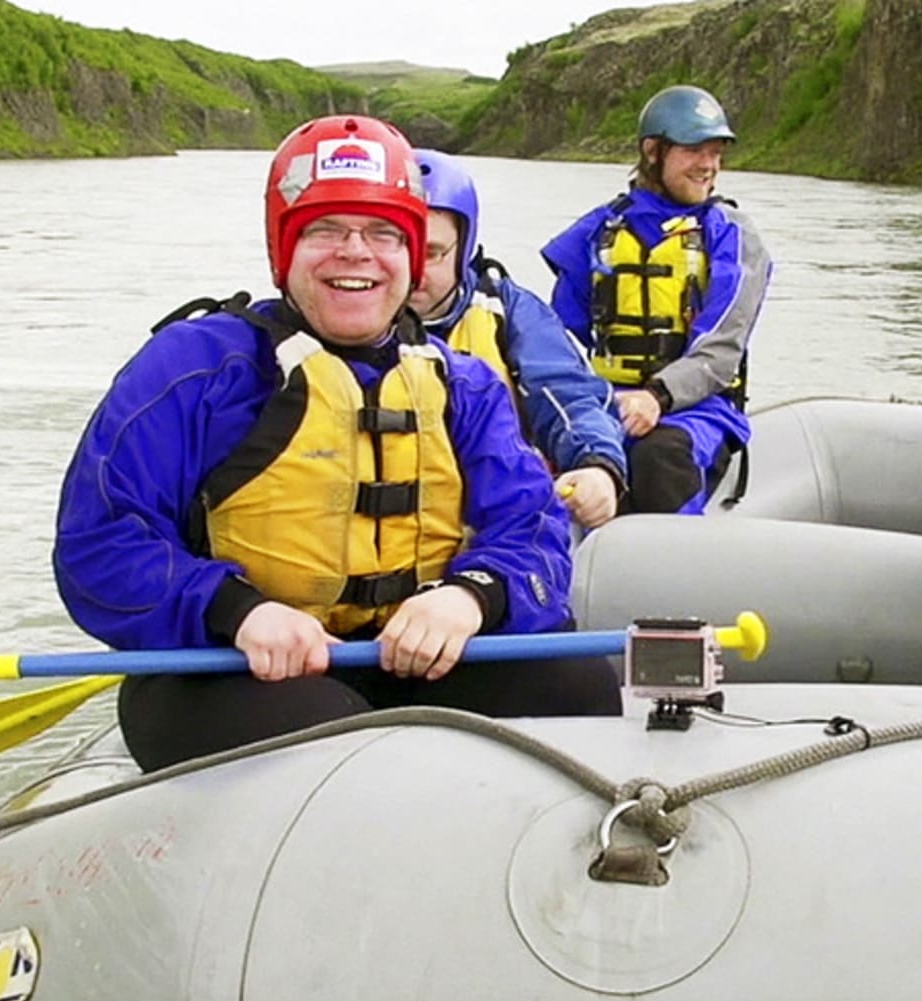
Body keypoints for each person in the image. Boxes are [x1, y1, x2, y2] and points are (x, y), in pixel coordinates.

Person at [53, 115, 620, 772]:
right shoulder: (195, 369)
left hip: (415, 658)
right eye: (324, 229)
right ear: (284, 250)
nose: (356, 252)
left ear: (412, 259)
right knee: (334, 744)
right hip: (231, 663)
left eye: (384, 233)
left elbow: (534, 530)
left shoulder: (464, 386)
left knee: (577, 683)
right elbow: (100, 542)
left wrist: (472, 594)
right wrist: (235, 610)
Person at [541, 84, 772, 514]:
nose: (709, 165)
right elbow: (558, 336)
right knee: (543, 454)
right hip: (608, 401)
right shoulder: (598, 230)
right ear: (653, 151)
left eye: (716, 152)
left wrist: (656, 397)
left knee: (658, 457)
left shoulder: (732, 234)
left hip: (698, 410)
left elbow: (721, 349)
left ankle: (674, 553)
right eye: (695, 151)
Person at [410, 149, 627, 528]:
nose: (413, 272)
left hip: (491, 521)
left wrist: (598, 465)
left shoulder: (508, 310)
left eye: (431, 254)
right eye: (400, 245)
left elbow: (568, 395)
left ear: (463, 251)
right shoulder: (334, 320)